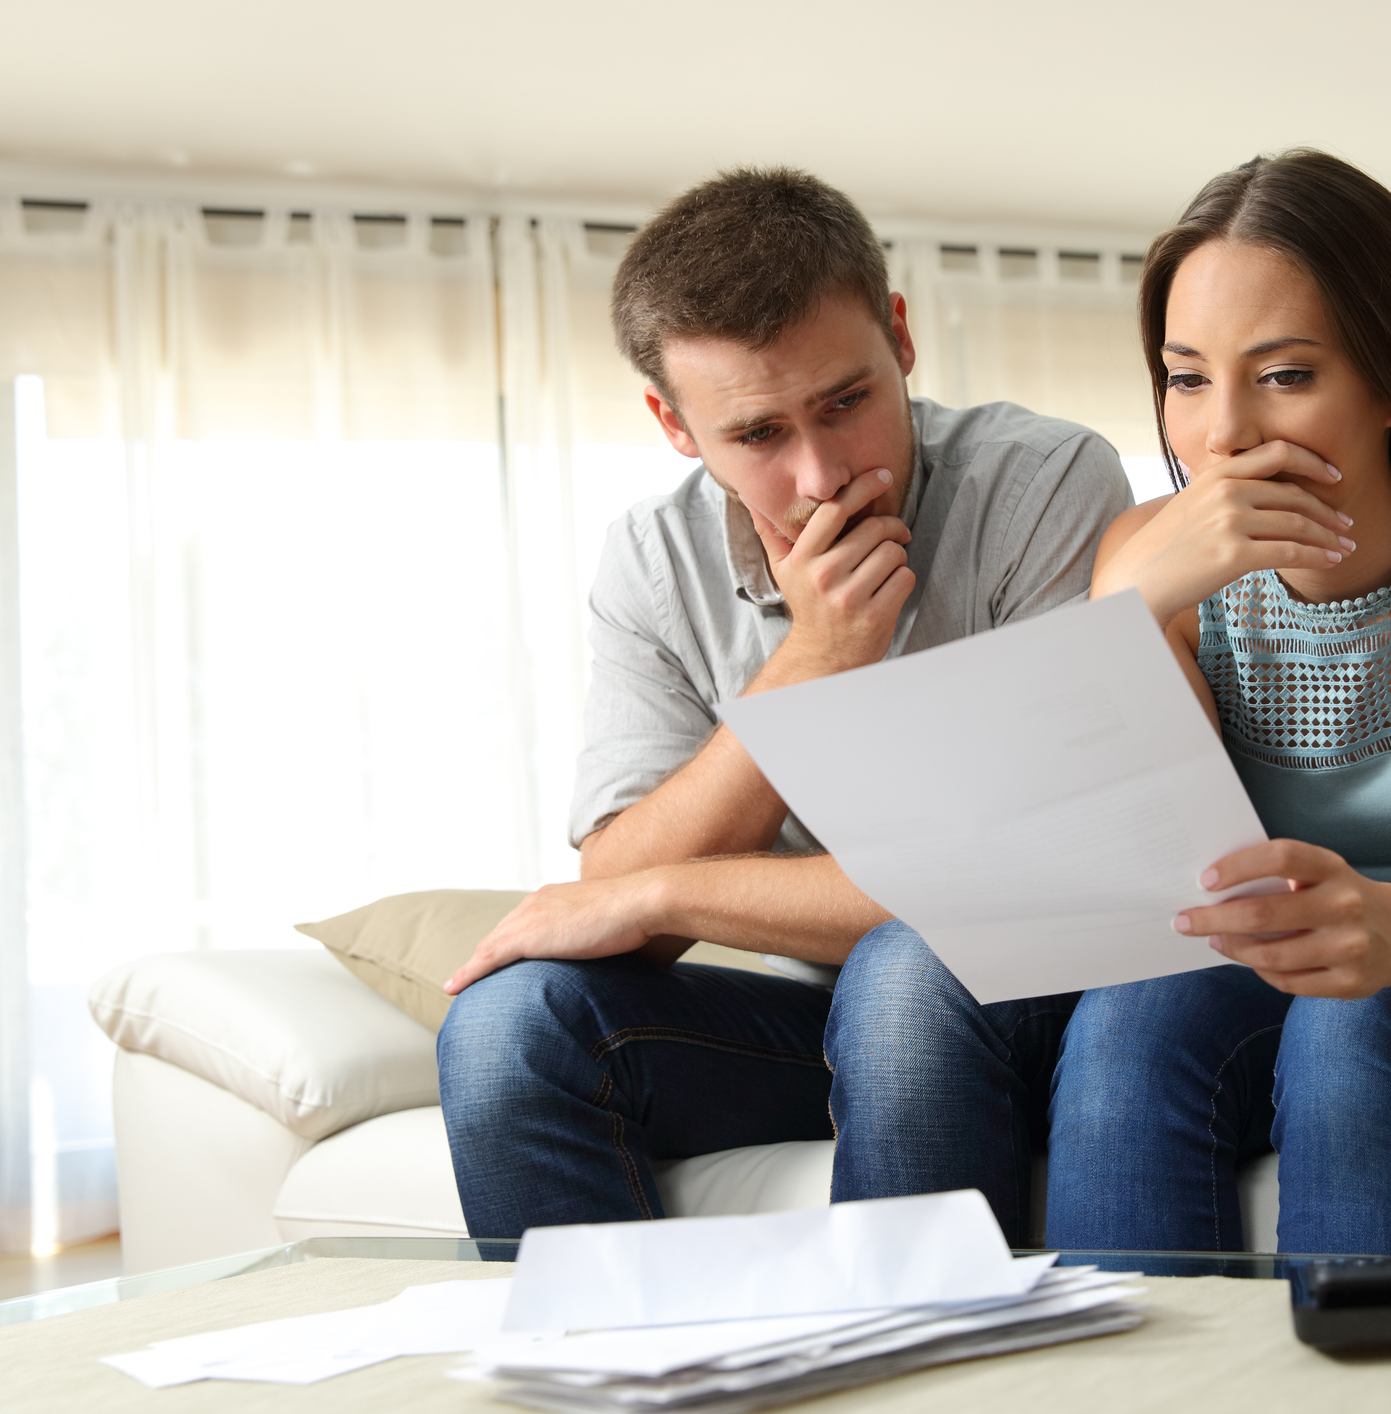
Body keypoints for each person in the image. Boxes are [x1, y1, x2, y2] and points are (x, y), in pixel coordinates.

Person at [827, 149, 1391, 1256]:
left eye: (1286, 374)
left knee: (1362, 1024)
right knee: (1133, 1016)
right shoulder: (1146, 559)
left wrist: (1387, 926)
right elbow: (1145, 887)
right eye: (1186, 377)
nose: (1222, 436)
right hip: (1297, 969)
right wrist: (1122, 613)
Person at [433, 167, 1132, 1240]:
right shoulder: (653, 563)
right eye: (758, 435)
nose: (818, 474)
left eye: (846, 403)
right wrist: (812, 656)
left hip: (1045, 1002)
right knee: (506, 1026)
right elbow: (613, 903)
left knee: (908, 969)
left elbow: (1018, 878)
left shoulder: (1042, 482)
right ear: (675, 423)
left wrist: (665, 891)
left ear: (899, 336)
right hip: (827, 1019)